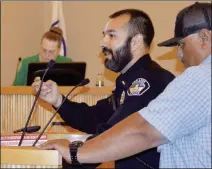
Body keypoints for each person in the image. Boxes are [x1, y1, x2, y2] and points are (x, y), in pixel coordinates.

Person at [38, 2, 211, 168]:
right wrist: (59, 101)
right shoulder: (127, 82)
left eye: (111, 35)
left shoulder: (173, 78)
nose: (179, 54)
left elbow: (138, 131)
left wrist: (74, 154)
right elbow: (98, 119)